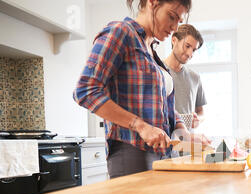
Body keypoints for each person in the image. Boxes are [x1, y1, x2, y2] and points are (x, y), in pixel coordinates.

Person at [73, 0, 210, 178]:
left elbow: (164, 106)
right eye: (171, 17)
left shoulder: (151, 52)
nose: (175, 27)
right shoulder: (120, 33)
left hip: (161, 153)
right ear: (153, 3)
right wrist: (141, 126)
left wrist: (184, 133)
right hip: (131, 151)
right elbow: (85, 90)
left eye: (179, 21)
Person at [164, 24, 206, 131]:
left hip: (189, 143)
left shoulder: (195, 78)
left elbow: (201, 112)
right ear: (174, 40)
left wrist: (198, 120)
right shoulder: (158, 71)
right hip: (166, 142)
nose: (190, 54)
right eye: (187, 46)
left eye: (194, 50)